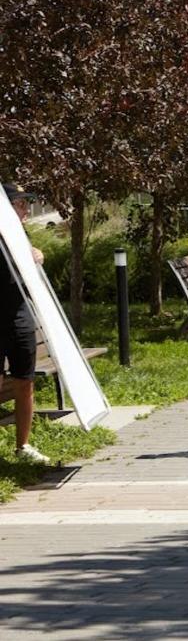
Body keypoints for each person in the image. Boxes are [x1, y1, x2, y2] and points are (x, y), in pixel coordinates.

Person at [0, 182, 50, 464]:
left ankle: (23, 447)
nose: (26, 208)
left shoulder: (19, 233)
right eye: (20, 203)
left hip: (19, 313)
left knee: (24, 380)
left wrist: (37, 254)